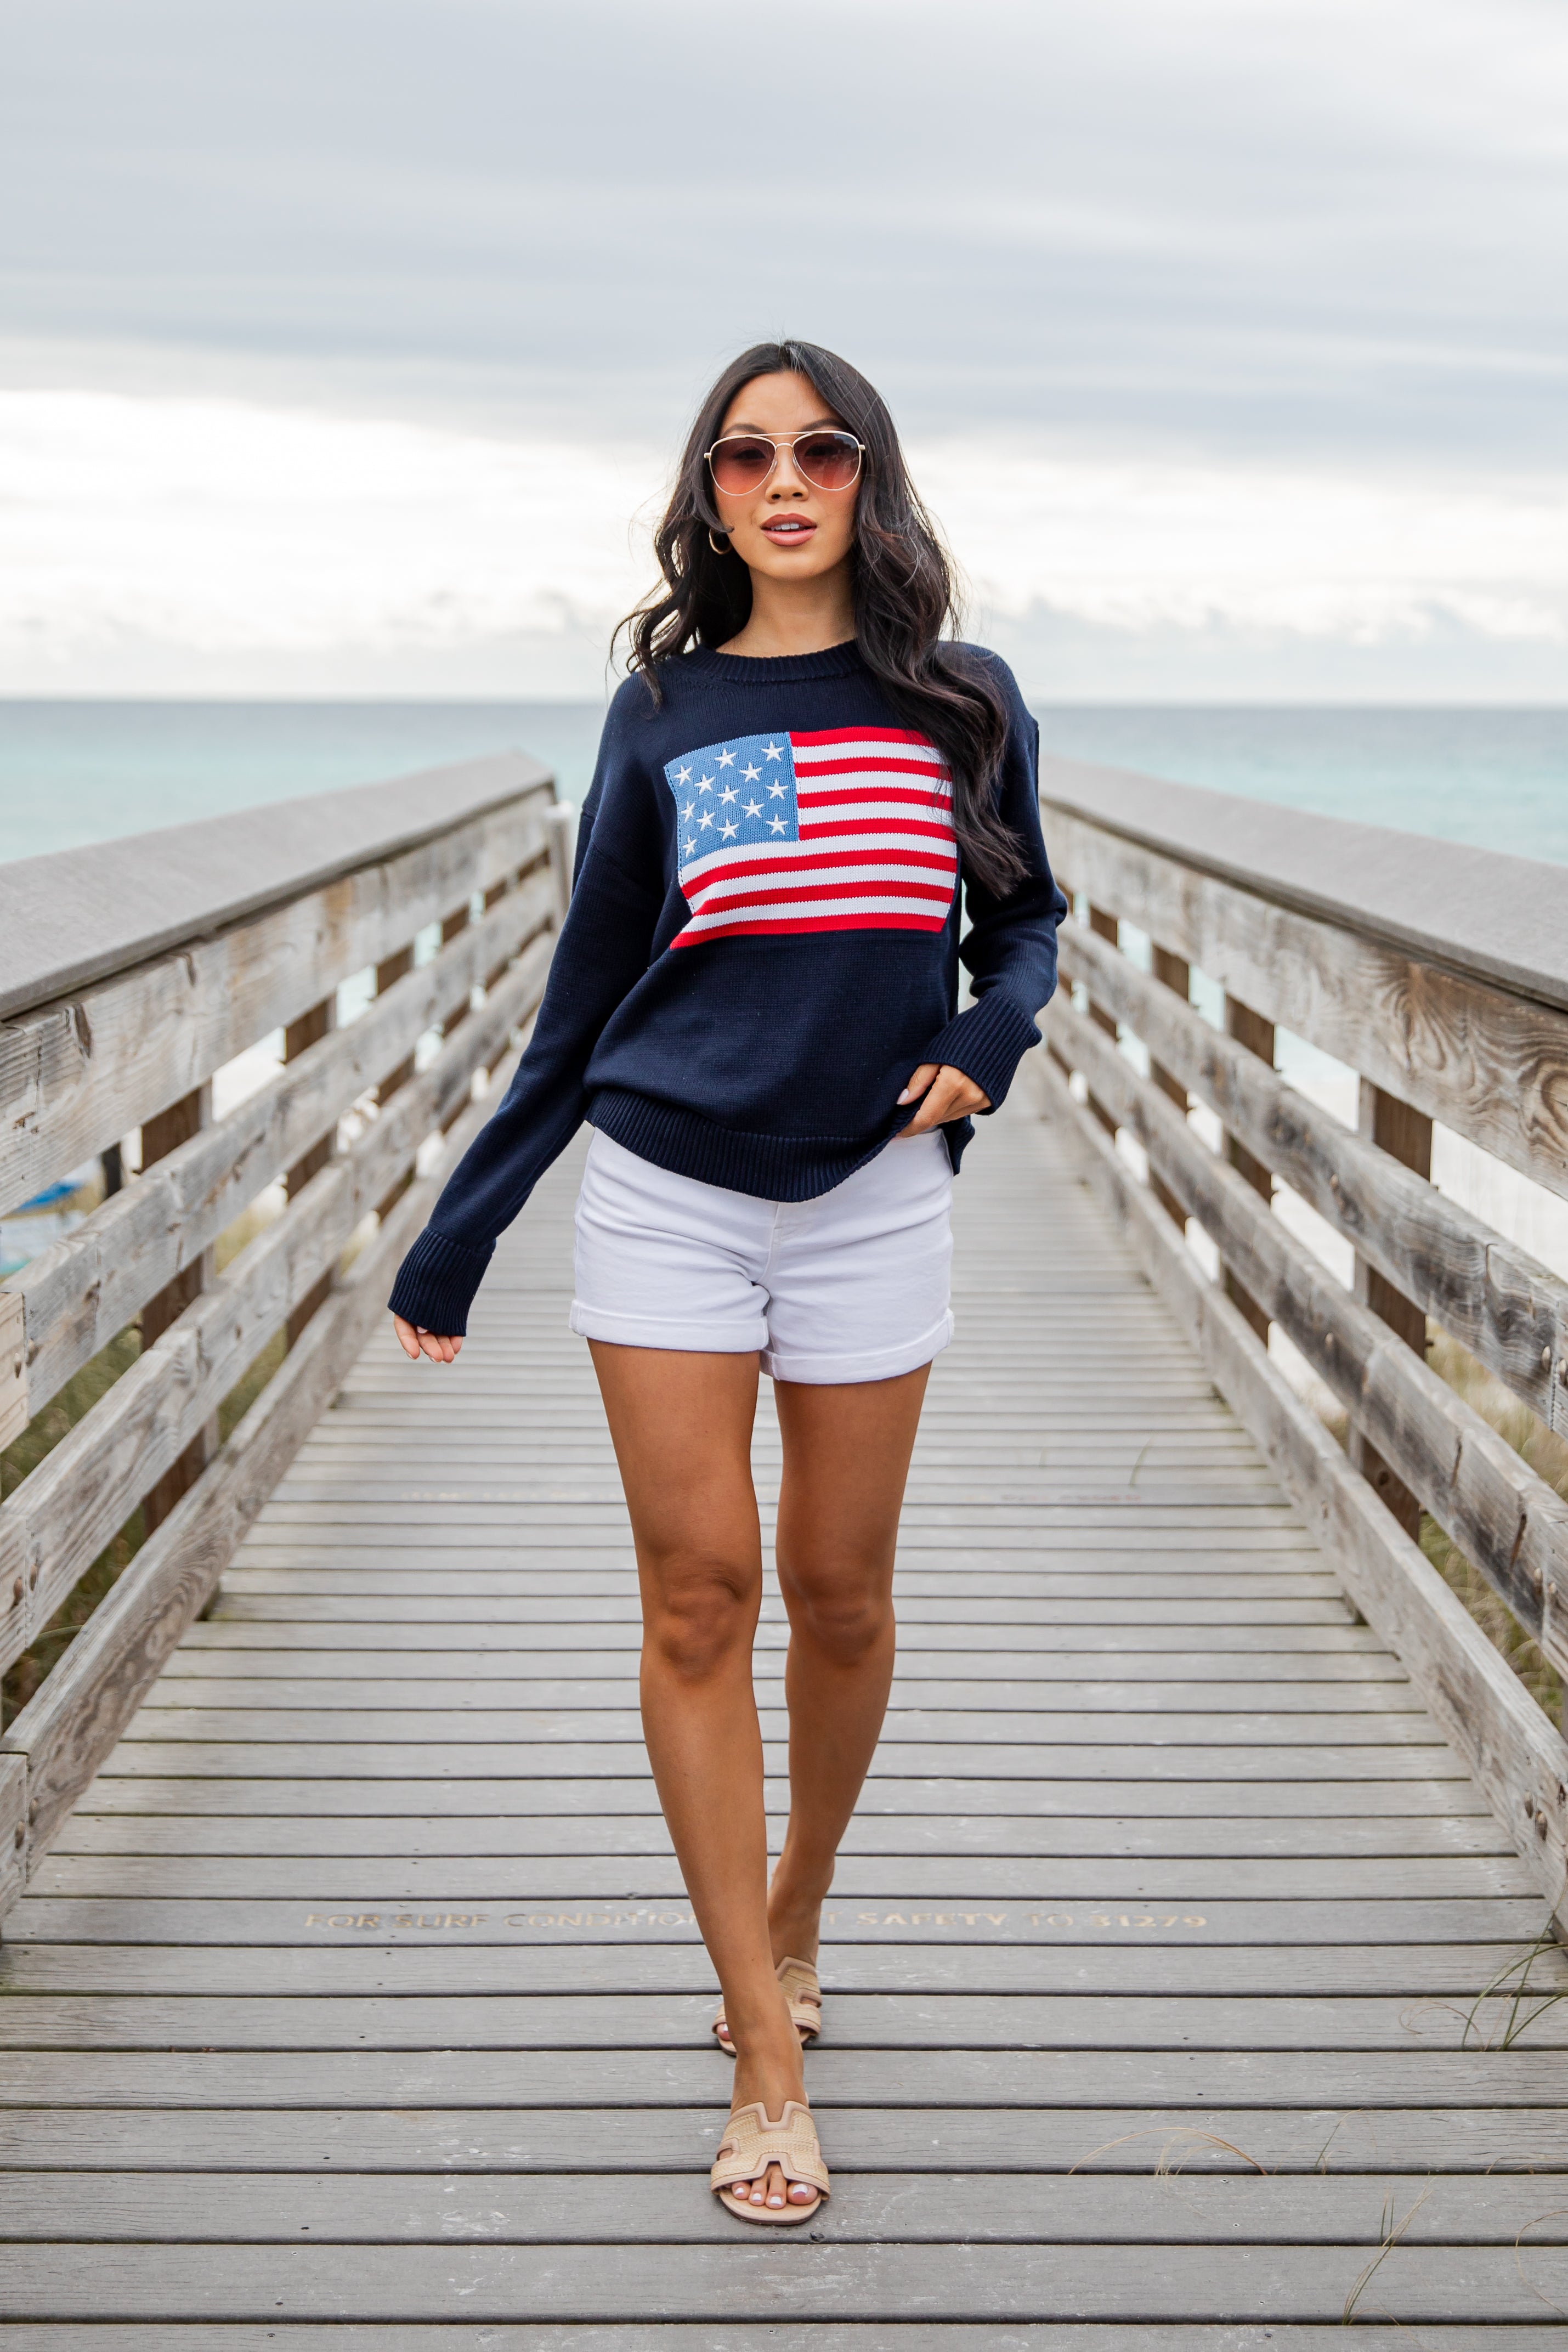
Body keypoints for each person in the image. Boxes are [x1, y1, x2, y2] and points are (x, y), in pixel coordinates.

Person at [388, 339, 1066, 2225]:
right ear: (706, 490)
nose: (784, 480)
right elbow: (587, 985)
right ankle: (761, 2045)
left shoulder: (963, 702)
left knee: (841, 1598)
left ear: (871, 478)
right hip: (667, 1191)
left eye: (821, 449)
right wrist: (468, 1217)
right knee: (703, 1594)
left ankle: (799, 1903)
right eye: (745, 453)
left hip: (872, 1194)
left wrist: (989, 1039)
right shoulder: (663, 709)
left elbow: (1022, 928)